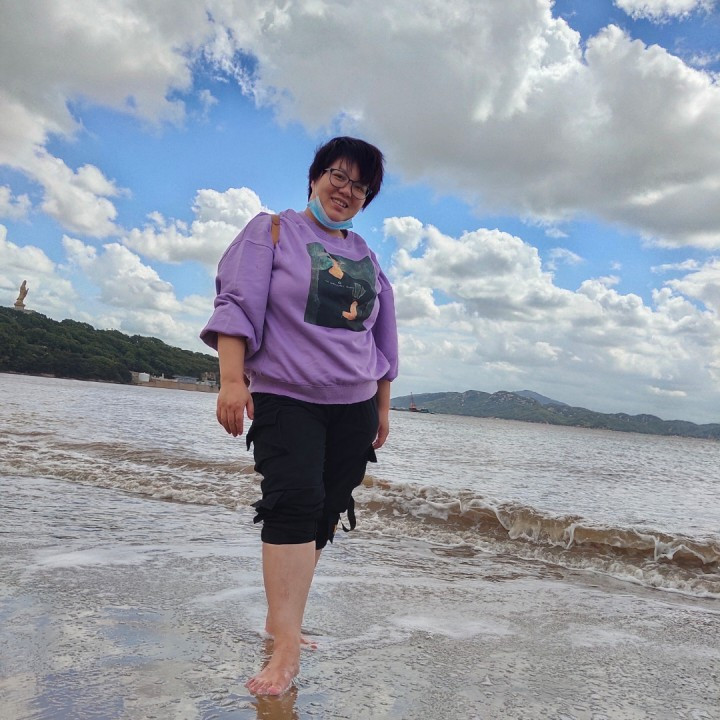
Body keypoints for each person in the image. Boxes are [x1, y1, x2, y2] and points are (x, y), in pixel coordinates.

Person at [200, 137, 398, 696]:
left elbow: (383, 336)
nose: (347, 190)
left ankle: (280, 621)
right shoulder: (272, 231)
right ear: (315, 176)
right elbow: (236, 305)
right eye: (339, 175)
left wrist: (382, 406)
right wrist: (232, 381)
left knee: (325, 512)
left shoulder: (366, 256)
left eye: (361, 186)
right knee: (293, 502)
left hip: (354, 406)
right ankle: (286, 644)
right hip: (286, 396)